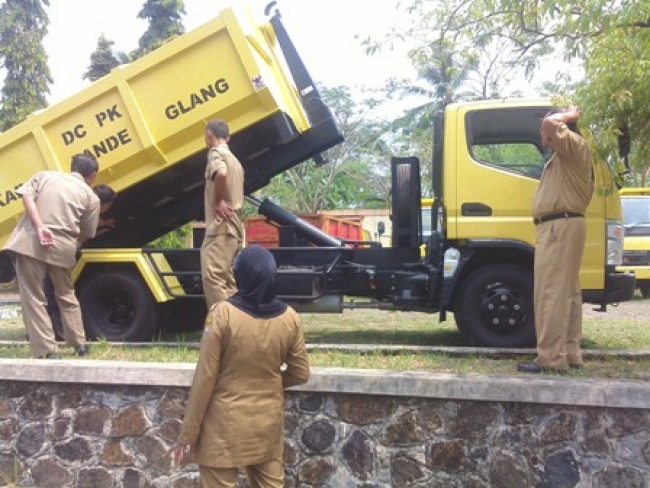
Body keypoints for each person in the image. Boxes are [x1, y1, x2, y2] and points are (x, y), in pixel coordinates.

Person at [167, 244, 310, 487]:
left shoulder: (223, 314)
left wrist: (187, 435)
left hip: (222, 429)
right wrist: (271, 383)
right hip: (266, 428)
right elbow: (301, 373)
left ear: (240, 275)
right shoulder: (290, 318)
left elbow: (205, 378)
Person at [518, 106, 594, 374]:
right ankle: (570, 354)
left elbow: (550, 123)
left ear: (562, 131)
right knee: (568, 294)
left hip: (559, 227)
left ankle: (550, 358)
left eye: (543, 131)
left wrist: (568, 116)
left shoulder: (575, 146)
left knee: (550, 293)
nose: (542, 132)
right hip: (562, 226)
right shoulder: (566, 155)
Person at [3, 153, 101, 359]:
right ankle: (79, 344)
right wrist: (70, 242)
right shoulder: (91, 197)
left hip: (31, 243)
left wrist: (40, 227)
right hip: (64, 248)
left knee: (34, 297)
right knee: (66, 295)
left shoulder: (45, 176)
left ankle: (48, 351)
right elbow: (88, 232)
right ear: (92, 176)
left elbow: (26, 196)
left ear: (71, 167)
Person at [46, 184, 117, 341]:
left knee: (53, 292)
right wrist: (103, 224)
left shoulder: (76, 200)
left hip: (51, 250)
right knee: (59, 293)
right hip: (60, 253)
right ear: (104, 204)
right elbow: (82, 230)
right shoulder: (88, 209)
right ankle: (61, 333)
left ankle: (57, 332)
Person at [200, 119, 245, 310]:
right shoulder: (235, 159)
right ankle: (238, 324)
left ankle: (223, 327)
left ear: (209, 134)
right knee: (228, 281)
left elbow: (222, 173)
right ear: (229, 137)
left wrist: (217, 201)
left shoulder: (215, 153)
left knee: (212, 276)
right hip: (234, 227)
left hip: (220, 226)